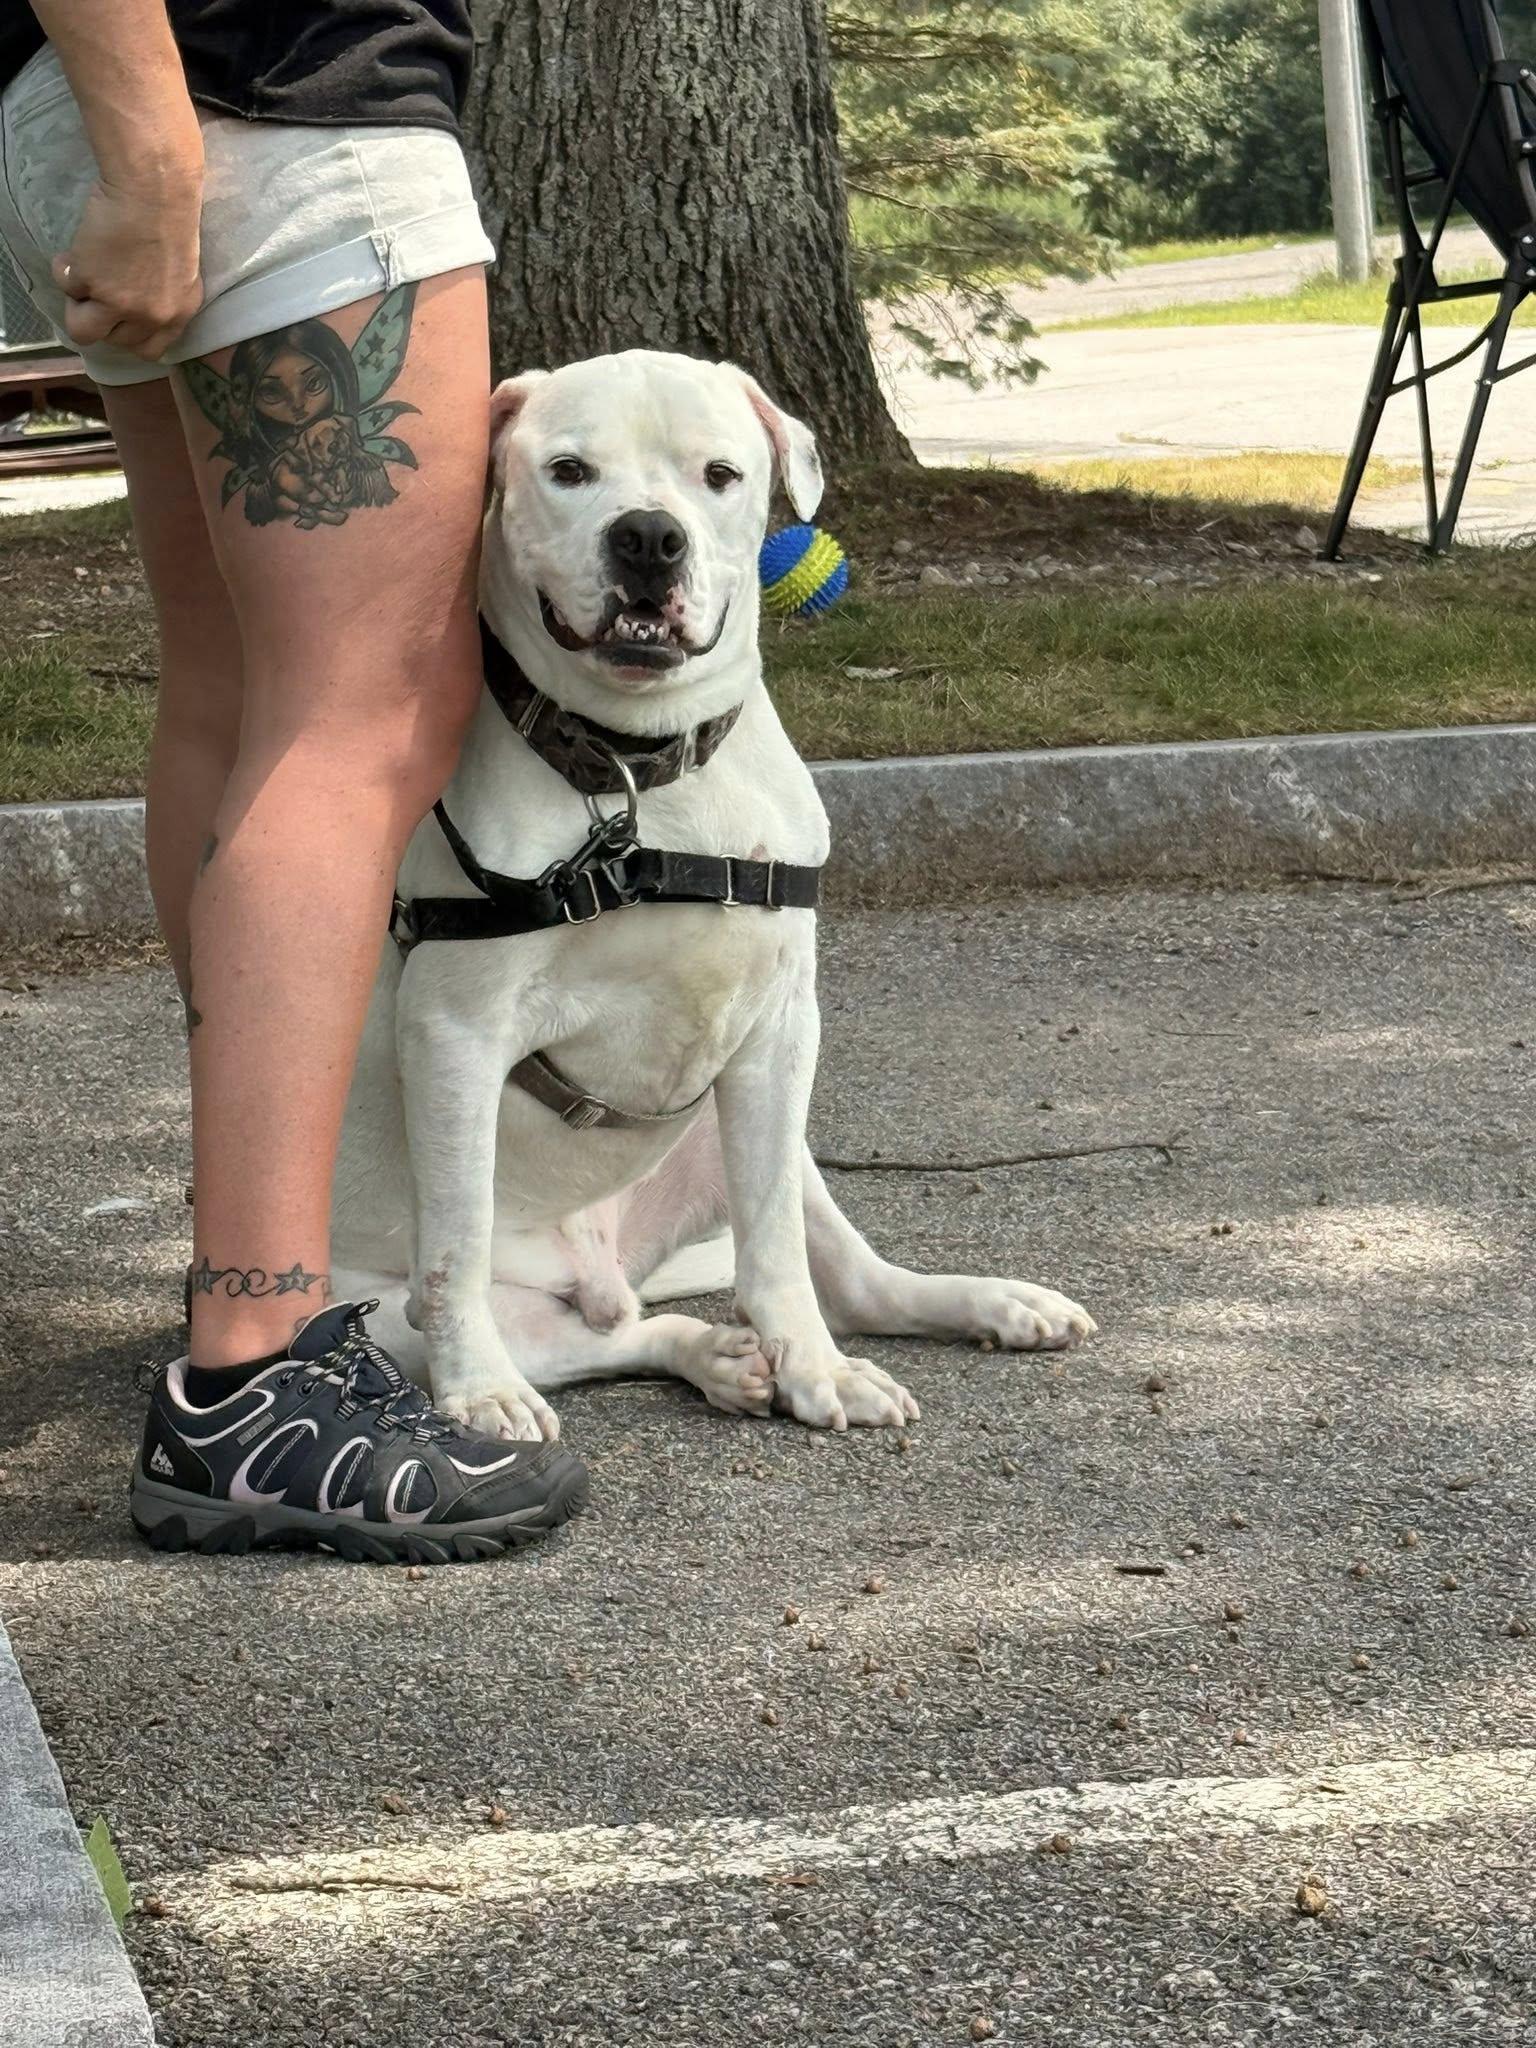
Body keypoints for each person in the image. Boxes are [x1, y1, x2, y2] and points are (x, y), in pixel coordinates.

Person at [0, 0, 589, 1557]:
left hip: (164, 99)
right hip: (268, 88)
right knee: (360, 706)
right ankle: (252, 1372)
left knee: (246, 687)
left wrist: (137, 130)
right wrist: (151, 141)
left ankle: (255, 1297)